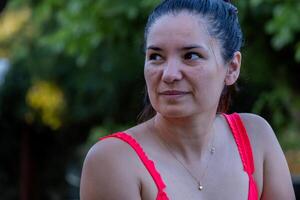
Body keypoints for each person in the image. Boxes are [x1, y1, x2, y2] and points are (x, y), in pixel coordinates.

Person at [80, 0, 295, 199]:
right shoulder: (114, 161)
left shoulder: (256, 137)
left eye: (190, 56)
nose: (169, 74)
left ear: (232, 68)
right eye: (156, 56)